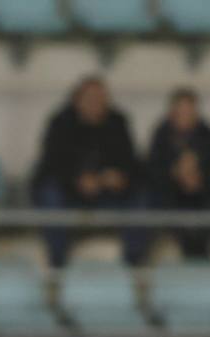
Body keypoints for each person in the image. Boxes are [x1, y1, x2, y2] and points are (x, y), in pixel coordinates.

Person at [31, 75, 146, 267]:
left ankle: (132, 265)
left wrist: (119, 178)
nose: (96, 103)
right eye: (90, 98)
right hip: (68, 195)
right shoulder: (60, 123)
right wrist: (77, 180)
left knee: (142, 197)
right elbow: (50, 164)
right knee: (49, 193)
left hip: (109, 195)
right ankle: (58, 264)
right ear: (77, 99)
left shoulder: (118, 122)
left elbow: (131, 163)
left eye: (101, 98)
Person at [146, 87, 210, 259]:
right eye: (181, 110)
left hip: (201, 196)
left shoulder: (207, 134)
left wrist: (197, 176)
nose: (185, 115)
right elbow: (152, 169)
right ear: (173, 112)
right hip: (170, 195)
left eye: (189, 110)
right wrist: (175, 173)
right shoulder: (161, 134)